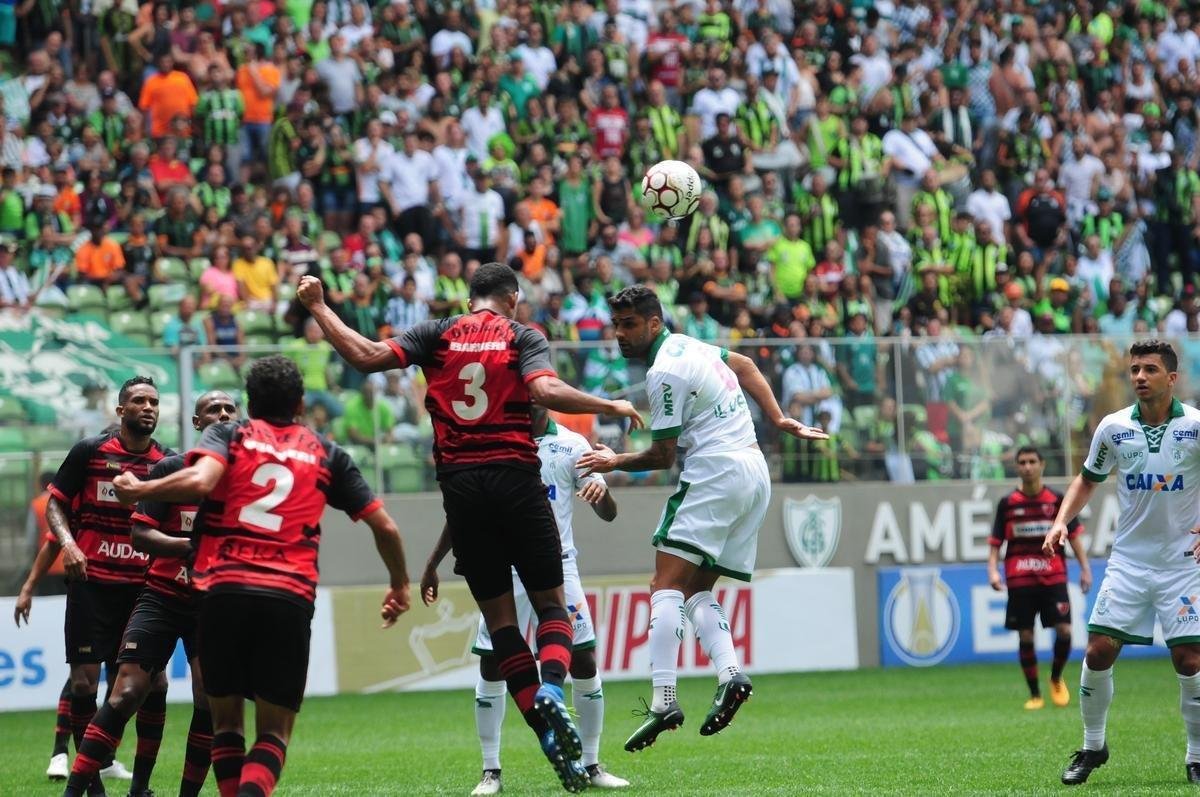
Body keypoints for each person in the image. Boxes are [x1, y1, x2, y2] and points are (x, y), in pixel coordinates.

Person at [296, 263, 643, 793]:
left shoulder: (436, 333)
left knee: (502, 629)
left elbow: (364, 357)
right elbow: (546, 390)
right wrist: (608, 403)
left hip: (460, 487)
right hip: (514, 476)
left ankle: (546, 734)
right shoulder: (521, 335)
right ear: (512, 298)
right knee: (553, 609)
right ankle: (552, 690)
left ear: (470, 298)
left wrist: (319, 306)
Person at [112, 357, 412, 797]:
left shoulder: (228, 435)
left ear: (249, 405)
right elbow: (385, 527)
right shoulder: (326, 452)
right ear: (301, 403)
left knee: (226, 725)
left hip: (223, 593)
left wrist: (140, 489)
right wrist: (399, 584)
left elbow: (201, 480)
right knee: (272, 734)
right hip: (288, 597)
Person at [575, 285, 827, 750]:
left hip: (716, 471)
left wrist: (613, 461)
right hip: (753, 471)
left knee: (664, 585)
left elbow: (662, 455)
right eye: (616, 325)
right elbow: (745, 364)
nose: (620, 334)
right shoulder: (687, 344)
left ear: (654, 323)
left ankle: (663, 700)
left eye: (629, 325)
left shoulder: (664, 371)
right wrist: (778, 419)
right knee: (694, 589)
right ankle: (731, 675)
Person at [420, 406, 630, 794]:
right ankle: (491, 771)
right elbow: (464, 514)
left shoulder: (571, 445)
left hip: (558, 566)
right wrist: (434, 561)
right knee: (492, 664)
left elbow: (609, 514)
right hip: (505, 569)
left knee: (584, 659)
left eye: (536, 394)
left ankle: (591, 764)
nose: (529, 400)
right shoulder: (496, 444)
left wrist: (602, 494)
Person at [61, 392, 239, 797]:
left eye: (230, 409)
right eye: (214, 409)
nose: (223, 414)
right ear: (197, 422)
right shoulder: (172, 469)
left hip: (213, 604)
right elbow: (140, 534)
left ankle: (162, 791)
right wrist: (189, 547)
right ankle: (76, 791)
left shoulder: (248, 480)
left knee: (209, 697)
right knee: (126, 692)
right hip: (162, 596)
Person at [1044, 340, 1200, 785]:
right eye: (1134, 369)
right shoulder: (1113, 428)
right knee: (1097, 651)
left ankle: (1196, 755)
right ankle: (1093, 746)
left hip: (1182, 564)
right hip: (1129, 562)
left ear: (1172, 378)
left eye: (1150, 369)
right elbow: (1086, 479)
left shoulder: (1194, 426)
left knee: (1190, 659)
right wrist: (1060, 521)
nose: (1139, 377)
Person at [43, 377, 172, 793]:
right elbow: (55, 503)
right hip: (91, 584)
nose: (148, 407)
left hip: (143, 591)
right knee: (83, 683)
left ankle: (140, 786)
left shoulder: (167, 462)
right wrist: (69, 545)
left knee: (154, 684)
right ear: (120, 410)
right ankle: (92, 787)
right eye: (139, 401)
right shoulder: (90, 451)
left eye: (154, 401)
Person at [988, 445, 1091, 711]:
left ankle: (1056, 678)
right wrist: (992, 570)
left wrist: (1085, 568)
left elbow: (1074, 536)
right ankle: (1035, 694)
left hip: (1053, 576)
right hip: (1019, 578)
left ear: (1042, 465)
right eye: (1022, 462)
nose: (1027, 467)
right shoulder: (1008, 503)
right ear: (1016, 467)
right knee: (1025, 635)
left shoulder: (1057, 500)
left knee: (1065, 630)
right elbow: (996, 542)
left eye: (1032, 461)